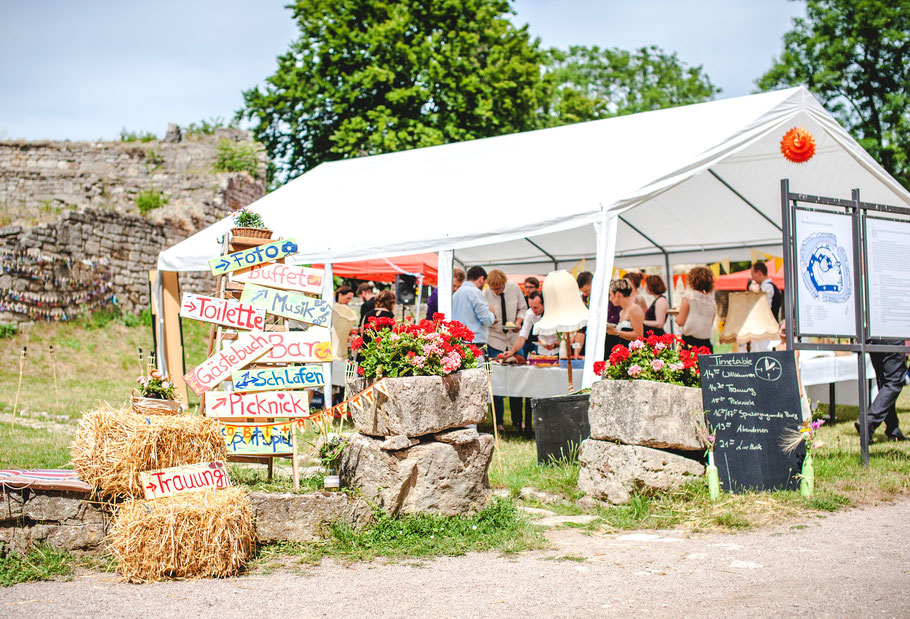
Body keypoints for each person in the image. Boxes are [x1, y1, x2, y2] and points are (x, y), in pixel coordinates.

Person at [501, 290, 557, 435]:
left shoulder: (554, 312)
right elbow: (523, 336)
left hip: (557, 354)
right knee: (536, 389)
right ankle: (531, 424)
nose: (534, 310)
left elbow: (566, 337)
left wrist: (555, 345)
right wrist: (512, 351)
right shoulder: (530, 314)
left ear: (544, 304)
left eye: (537, 307)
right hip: (541, 355)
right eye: (531, 307)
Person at [484, 270, 528, 432]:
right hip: (495, 338)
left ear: (504, 283)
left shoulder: (514, 288)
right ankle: (499, 421)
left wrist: (518, 322)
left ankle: (518, 420)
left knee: (518, 379)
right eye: (494, 289)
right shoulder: (485, 293)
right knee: (497, 381)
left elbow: (523, 308)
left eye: (499, 288)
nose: (497, 291)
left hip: (513, 339)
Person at [857, 340, 908, 442]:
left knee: (885, 382)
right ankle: (869, 423)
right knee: (894, 381)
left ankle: (893, 429)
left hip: (873, 337)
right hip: (892, 337)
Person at [451, 266, 495, 350]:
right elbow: (486, 319)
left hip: (458, 341)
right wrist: (492, 313)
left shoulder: (456, 293)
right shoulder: (475, 292)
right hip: (474, 343)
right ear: (481, 279)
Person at [676, 266, 716, 352]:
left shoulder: (689, 296)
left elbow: (680, 322)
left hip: (690, 342)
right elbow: (710, 323)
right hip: (706, 343)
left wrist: (677, 315)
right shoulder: (712, 302)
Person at [605, 278, 644, 346]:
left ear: (617, 294)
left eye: (610, 295)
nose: (610, 299)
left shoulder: (634, 309)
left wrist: (617, 332)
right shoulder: (622, 312)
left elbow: (639, 335)